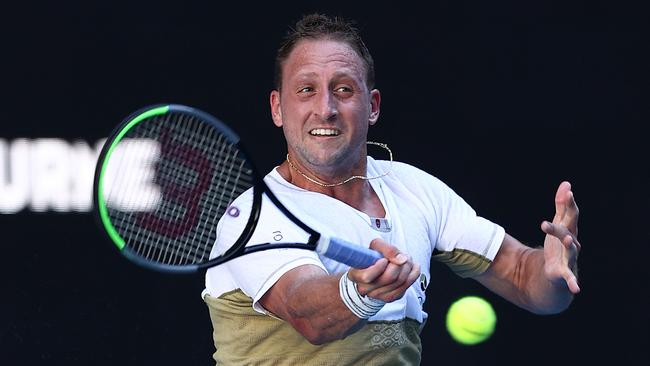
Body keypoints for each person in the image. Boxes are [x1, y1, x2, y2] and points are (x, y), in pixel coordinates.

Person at [202, 13, 580, 365]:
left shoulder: (416, 191)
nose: (326, 108)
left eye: (344, 89)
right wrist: (358, 291)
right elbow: (308, 313)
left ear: (373, 106)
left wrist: (550, 273)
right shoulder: (251, 216)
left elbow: (523, 279)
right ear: (278, 108)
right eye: (306, 90)